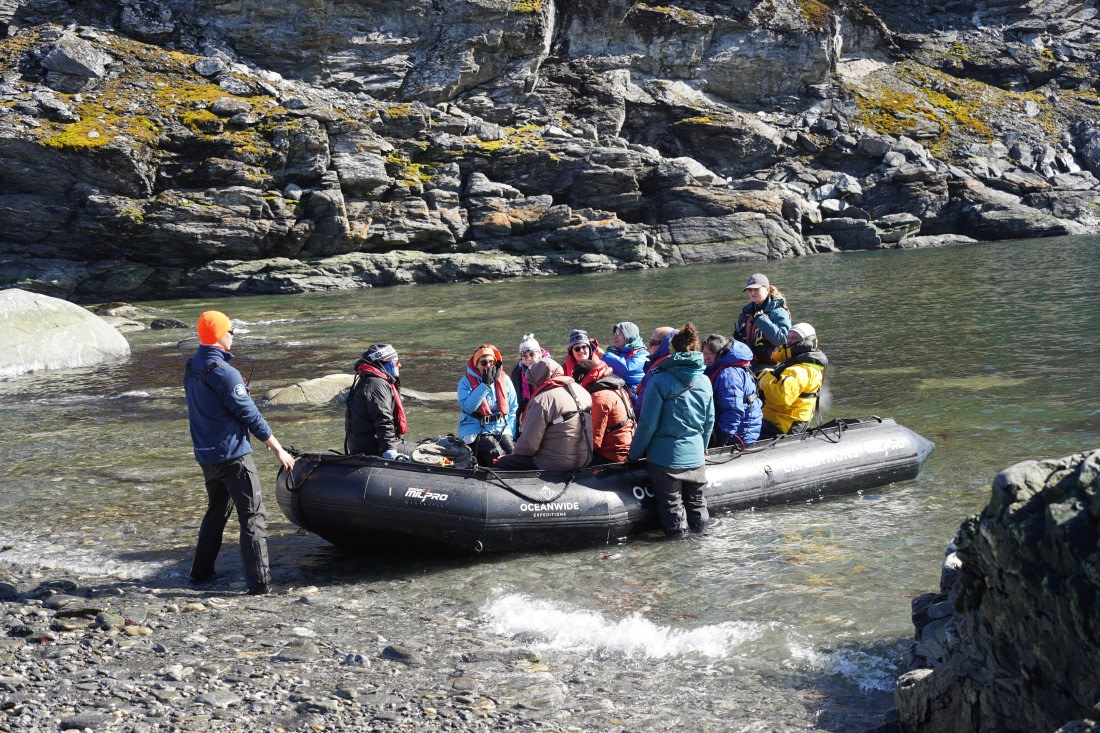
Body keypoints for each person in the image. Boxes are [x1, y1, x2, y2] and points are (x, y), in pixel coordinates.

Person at [183, 310, 296, 596]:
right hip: (234, 456)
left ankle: (200, 574)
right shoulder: (224, 372)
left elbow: (212, 408)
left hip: (206, 455)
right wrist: (278, 448)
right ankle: (260, 584)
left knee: (216, 512)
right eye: (230, 330)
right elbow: (250, 414)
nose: (233, 334)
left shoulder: (191, 366)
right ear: (219, 335)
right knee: (253, 515)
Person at [628, 323, 715, 536]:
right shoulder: (704, 380)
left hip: (666, 461)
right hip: (696, 457)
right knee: (697, 506)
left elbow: (648, 424)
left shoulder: (659, 380)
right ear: (696, 348)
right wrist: (703, 446)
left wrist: (634, 455)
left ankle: (678, 560)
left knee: (672, 510)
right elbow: (709, 420)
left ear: (672, 351)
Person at [494, 358, 593, 470]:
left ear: (538, 379)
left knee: (503, 462)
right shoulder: (583, 391)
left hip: (555, 465)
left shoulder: (542, 400)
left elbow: (528, 446)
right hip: (586, 459)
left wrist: (511, 454)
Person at [344, 343, 417, 460]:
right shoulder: (376, 384)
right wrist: (389, 450)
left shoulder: (370, 380)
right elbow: (382, 418)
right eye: (397, 363)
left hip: (369, 445)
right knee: (432, 452)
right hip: (374, 449)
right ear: (384, 363)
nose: (400, 365)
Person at [757, 323, 828, 439]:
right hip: (774, 417)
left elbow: (782, 396)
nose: (789, 341)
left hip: (784, 424)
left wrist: (764, 377)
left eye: (794, 338)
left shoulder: (801, 369)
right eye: (788, 337)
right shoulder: (794, 362)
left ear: (806, 342)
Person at [458, 344, 518, 464]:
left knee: (515, 453)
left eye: (491, 362)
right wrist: (485, 385)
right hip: (475, 429)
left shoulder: (505, 379)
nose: (488, 366)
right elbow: (468, 407)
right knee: (496, 454)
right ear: (476, 364)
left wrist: (511, 434)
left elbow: (512, 408)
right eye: (483, 363)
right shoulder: (465, 382)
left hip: (501, 427)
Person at [702, 334, 762, 447]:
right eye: (704, 353)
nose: (706, 358)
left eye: (711, 353)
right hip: (739, 427)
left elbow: (733, 411)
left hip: (739, 433)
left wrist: (720, 439)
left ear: (721, 353)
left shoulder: (729, 375)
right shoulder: (726, 367)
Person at [572, 358, 635, 464]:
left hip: (613, 455)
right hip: (628, 446)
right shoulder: (616, 387)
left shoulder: (599, 397)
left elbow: (594, 441)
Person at [734, 273, 792, 368]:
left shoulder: (778, 312)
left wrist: (761, 320)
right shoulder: (746, 312)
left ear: (767, 289)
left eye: (756, 289)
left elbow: (783, 340)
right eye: (750, 290)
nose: (752, 293)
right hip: (749, 364)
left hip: (773, 365)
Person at [634, 326, 676, 418]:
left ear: (665, 345)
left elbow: (643, 408)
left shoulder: (657, 372)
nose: (649, 346)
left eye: (653, 343)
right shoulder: (691, 368)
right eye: (649, 342)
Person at [509, 333, 550, 423]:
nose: (528, 358)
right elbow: (514, 400)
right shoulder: (517, 373)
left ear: (539, 354)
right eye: (524, 355)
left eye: (532, 354)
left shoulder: (549, 368)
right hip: (527, 413)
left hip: (547, 412)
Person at [601, 321, 648, 397]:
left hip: (636, 402)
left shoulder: (643, 355)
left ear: (629, 334)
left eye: (619, 333)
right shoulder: (615, 353)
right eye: (615, 333)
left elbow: (628, 371)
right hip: (619, 397)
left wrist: (603, 356)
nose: (615, 337)